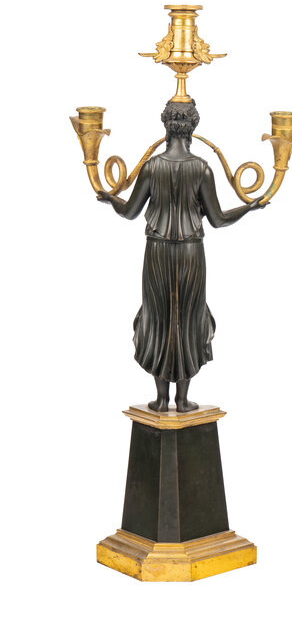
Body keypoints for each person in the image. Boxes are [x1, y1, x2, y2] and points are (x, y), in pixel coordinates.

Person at [97, 99, 266, 413]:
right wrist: (249, 207)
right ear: (193, 128)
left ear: (165, 126)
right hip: (191, 253)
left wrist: (110, 198)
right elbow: (218, 220)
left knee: (158, 316)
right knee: (188, 316)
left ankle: (161, 400)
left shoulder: (151, 167)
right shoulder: (202, 169)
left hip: (157, 252)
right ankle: (183, 400)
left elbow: (130, 212)